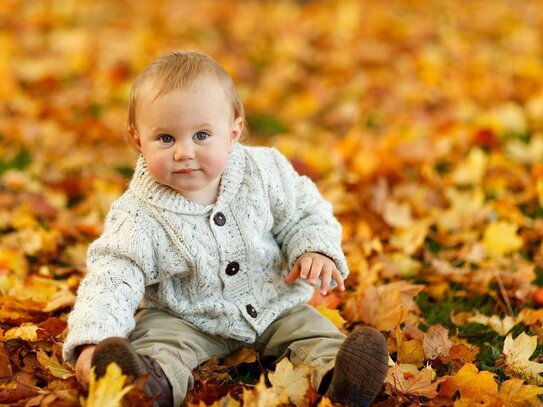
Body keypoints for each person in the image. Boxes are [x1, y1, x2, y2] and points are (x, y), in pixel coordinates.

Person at [62, 50, 388, 407]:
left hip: (273, 302)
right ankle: (144, 385)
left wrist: (314, 248)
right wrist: (93, 339)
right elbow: (113, 277)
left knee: (312, 334)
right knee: (158, 343)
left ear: (232, 134)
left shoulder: (264, 171)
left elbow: (304, 212)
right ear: (138, 140)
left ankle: (340, 379)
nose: (184, 152)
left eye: (202, 135)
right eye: (166, 139)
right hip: (185, 316)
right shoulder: (137, 215)